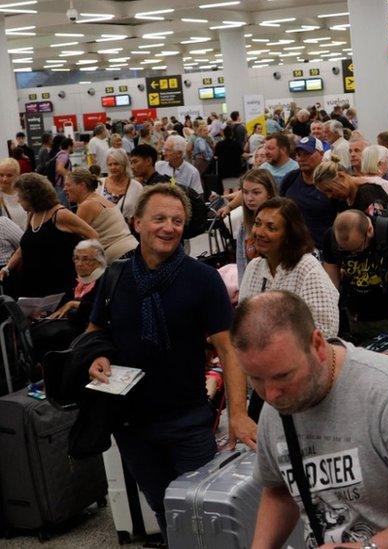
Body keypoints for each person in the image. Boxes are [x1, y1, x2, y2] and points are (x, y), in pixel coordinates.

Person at [86, 184, 257, 534]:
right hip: (131, 424)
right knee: (166, 513)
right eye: (159, 218)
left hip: (188, 421)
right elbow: (94, 332)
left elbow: (229, 350)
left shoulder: (203, 279)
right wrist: (97, 356)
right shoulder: (115, 276)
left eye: (177, 221)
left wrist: (238, 414)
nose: (169, 227)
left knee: (206, 513)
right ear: (136, 223)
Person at [232, 291, 388, 548]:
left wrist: (369, 548)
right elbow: (278, 489)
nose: (271, 395)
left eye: (283, 376)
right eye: (256, 379)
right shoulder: (277, 405)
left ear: (317, 345)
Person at [239, 197, 339, 337]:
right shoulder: (254, 267)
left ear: (290, 235)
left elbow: (325, 331)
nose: (259, 232)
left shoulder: (307, 268)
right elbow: (243, 320)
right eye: (257, 223)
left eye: (271, 227)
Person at [323, 209, 388, 344]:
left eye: (357, 249)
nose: (353, 254)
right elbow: (331, 285)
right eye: (346, 250)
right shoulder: (330, 238)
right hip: (356, 315)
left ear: (369, 230)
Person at [0, 173, 97, 298]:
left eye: (20, 196)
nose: (18, 200)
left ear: (32, 196)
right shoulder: (33, 215)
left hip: (58, 286)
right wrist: (7, 268)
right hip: (34, 286)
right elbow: (24, 247)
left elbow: (93, 235)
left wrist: (82, 264)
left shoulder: (60, 214)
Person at [30, 239, 106, 361]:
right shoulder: (75, 280)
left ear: (98, 262)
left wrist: (74, 304)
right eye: (76, 258)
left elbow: (100, 309)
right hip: (68, 324)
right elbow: (61, 306)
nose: (79, 263)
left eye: (85, 259)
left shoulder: (104, 280)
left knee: (45, 336)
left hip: (88, 330)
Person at [64, 168, 138, 262]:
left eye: (68, 185)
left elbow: (74, 241)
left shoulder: (87, 205)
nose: (65, 189)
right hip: (133, 249)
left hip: (121, 257)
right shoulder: (99, 199)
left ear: (82, 185)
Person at [279, 136, 336, 254]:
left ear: (321, 154)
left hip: (324, 250)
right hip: (294, 249)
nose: (301, 158)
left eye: (307, 154)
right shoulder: (290, 178)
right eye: (299, 154)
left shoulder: (332, 181)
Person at [98, 149, 144, 222]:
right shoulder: (99, 184)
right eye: (110, 164)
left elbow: (141, 212)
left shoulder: (137, 187)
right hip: (102, 229)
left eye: (116, 164)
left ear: (124, 164)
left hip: (126, 230)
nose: (113, 167)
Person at [214, 125, 245, 191]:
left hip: (224, 171)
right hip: (234, 171)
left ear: (223, 133)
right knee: (235, 190)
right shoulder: (236, 143)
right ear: (232, 134)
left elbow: (216, 157)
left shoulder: (219, 144)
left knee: (226, 191)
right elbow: (243, 154)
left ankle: (226, 201)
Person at [0, 158, 28, 229]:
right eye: (1, 175)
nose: (4, 179)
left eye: (9, 175)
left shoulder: (26, 194)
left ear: (17, 176)